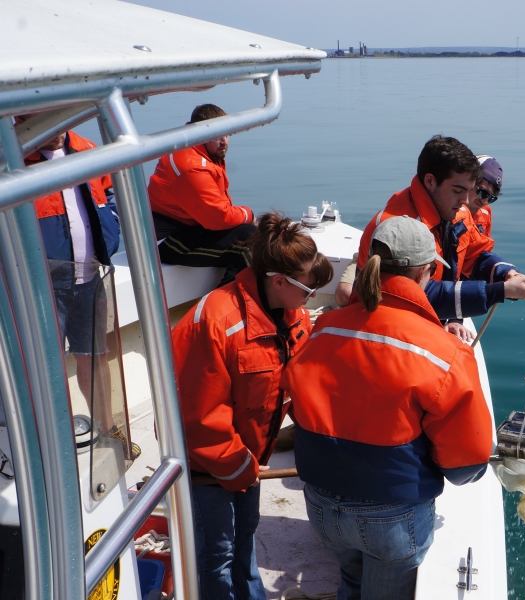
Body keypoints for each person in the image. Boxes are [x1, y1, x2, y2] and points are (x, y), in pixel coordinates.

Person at [284, 216, 493, 600]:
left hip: (321, 508)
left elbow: (299, 408)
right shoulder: (444, 353)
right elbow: (466, 464)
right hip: (392, 521)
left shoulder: (325, 328)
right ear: (426, 272)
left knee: (350, 580)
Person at [171, 213, 333, 600]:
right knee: (218, 551)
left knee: (246, 532)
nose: (311, 301)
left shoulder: (291, 315)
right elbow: (198, 419)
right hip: (208, 466)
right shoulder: (214, 323)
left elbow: (295, 382)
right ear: (279, 281)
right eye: (308, 292)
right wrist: (239, 467)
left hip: (249, 459)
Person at [15, 115, 135, 455]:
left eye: (59, 122)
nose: (53, 133)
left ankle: (109, 430)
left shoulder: (86, 150)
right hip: (40, 285)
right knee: (43, 363)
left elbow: (109, 194)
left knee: (95, 358)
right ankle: (53, 441)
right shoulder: (11, 160)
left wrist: (110, 227)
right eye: (42, 123)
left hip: (90, 277)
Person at [357, 135, 525, 341]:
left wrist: (506, 273)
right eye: (458, 190)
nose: (467, 200)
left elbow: (475, 255)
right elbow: (418, 294)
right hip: (387, 332)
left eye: (470, 191)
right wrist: (499, 291)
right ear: (430, 181)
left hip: (426, 323)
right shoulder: (397, 230)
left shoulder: (457, 212)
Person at [147, 104, 256, 286]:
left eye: (227, 134)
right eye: (217, 136)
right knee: (251, 240)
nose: (224, 141)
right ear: (198, 133)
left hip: (187, 228)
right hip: (166, 242)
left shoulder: (199, 152)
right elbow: (219, 217)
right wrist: (248, 214)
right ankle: (230, 303)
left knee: (253, 235)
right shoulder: (192, 164)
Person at [471, 155, 503, 237]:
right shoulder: (447, 212)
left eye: (491, 198)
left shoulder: (485, 213)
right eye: (483, 192)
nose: (484, 202)